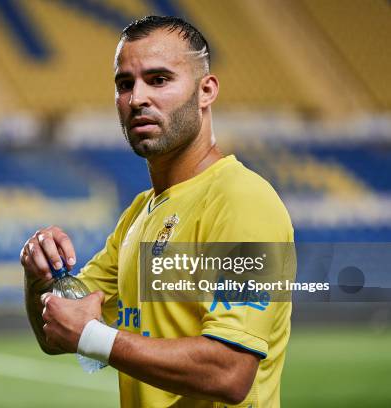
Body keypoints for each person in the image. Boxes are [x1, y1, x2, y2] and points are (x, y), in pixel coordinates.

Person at [21, 16, 293, 408]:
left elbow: (230, 372)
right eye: (124, 84)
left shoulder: (243, 200)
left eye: (159, 80)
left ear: (206, 90)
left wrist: (94, 337)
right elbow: (58, 333)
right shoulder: (139, 214)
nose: (137, 98)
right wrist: (38, 277)